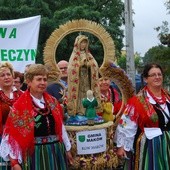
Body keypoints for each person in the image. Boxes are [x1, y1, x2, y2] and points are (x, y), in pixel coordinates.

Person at [0, 64, 73, 170]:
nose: (43, 83)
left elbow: (60, 127)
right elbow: (13, 135)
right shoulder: (20, 105)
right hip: (35, 154)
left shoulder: (53, 102)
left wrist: (67, 149)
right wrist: (15, 162)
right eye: (39, 79)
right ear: (29, 82)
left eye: (45, 79)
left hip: (56, 151)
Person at [115, 63, 170, 170]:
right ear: (145, 79)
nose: (157, 77)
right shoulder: (138, 101)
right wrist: (122, 146)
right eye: (153, 75)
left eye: (159, 74)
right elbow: (127, 124)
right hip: (151, 145)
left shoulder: (168, 97)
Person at [67, 34, 101, 116]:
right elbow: (71, 68)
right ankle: (79, 110)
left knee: (88, 92)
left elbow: (95, 65)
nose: (83, 45)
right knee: (79, 94)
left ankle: (89, 109)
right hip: (78, 79)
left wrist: (89, 65)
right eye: (82, 43)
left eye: (85, 43)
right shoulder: (75, 55)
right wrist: (80, 64)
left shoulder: (88, 54)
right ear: (78, 43)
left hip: (87, 78)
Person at [0, 62, 23, 170]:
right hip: (1, 138)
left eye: (8, 74)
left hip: (20, 137)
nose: (6, 77)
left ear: (13, 76)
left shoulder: (22, 95)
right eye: (2, 75)